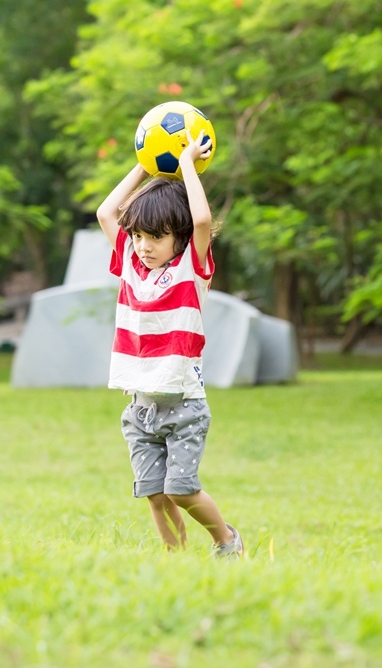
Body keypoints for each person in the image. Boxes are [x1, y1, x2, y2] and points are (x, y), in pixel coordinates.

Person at [96, 129, 242, 558]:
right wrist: (145, 163)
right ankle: (176, 561)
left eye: (155, 237)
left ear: (176, 240)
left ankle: (227, 541)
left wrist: (186, 169)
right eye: (139, 236)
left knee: (180, 491)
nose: (143, 246)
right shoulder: (130, 266)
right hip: (140, 407)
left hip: (184, 406)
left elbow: (199, 221)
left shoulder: (191, 271)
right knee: (153, 494)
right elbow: (107, 212)